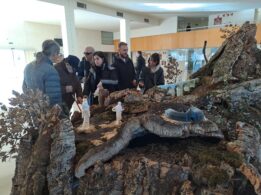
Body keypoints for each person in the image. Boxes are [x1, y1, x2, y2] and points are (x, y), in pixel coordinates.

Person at [23, 39, 62, 106]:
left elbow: (24, 88)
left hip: (32, 109)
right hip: (46, 113)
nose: (58, 56)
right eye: (58, 54)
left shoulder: (28, 67)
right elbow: (54, 99)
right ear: (55, 53)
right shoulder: (50, 70)